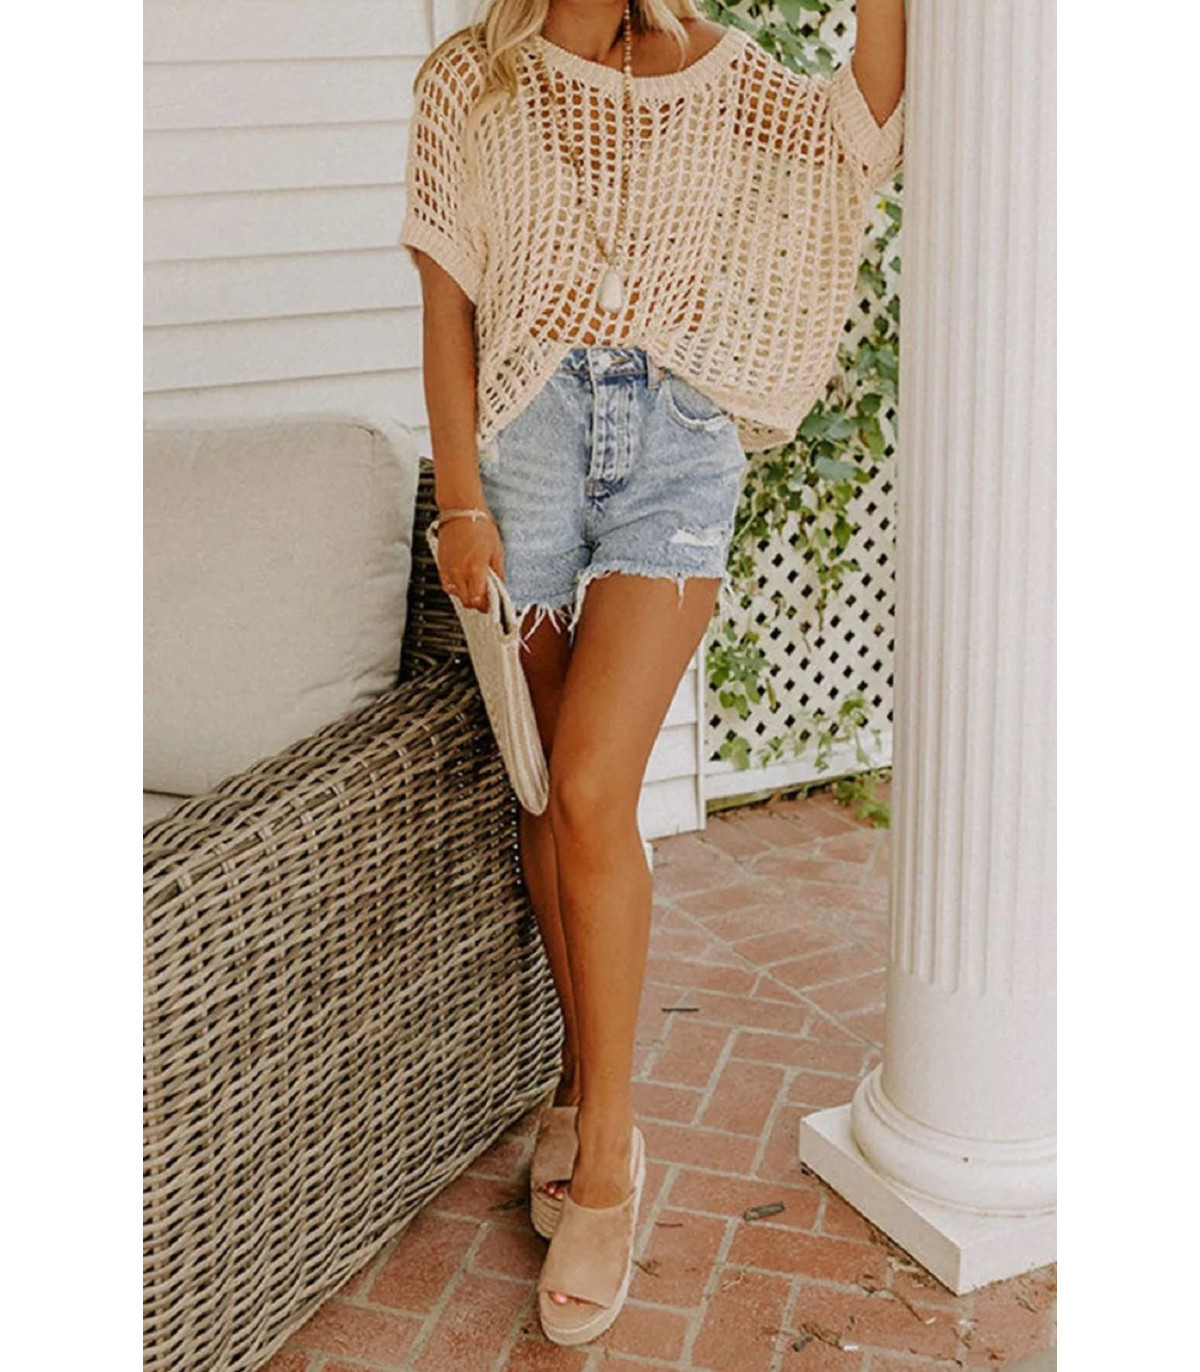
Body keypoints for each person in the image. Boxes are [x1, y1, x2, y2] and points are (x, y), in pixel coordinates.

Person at [399, 0, 905, 1346]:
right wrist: (461, 502)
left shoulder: (716, 70)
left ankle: (611, 1159)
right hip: (520, 450)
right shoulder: (467, 82)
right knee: (546, 798)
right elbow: (448, 306)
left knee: (590, 782)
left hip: (676, 451)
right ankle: (580, 1083)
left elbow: (865, 118)